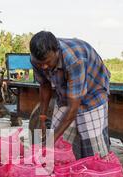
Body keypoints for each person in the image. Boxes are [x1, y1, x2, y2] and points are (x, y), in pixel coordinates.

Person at [30, 31, 111, 159]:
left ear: (57, 51)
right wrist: (42, 117)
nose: (44, 67)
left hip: (92, 92)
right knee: (58, 142)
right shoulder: (36, 59)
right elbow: (45, 85)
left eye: (47, 62)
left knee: (93, 147)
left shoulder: (74, 60)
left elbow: (73, 109)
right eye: (40, 63)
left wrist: (51, 142)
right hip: (66, 93)